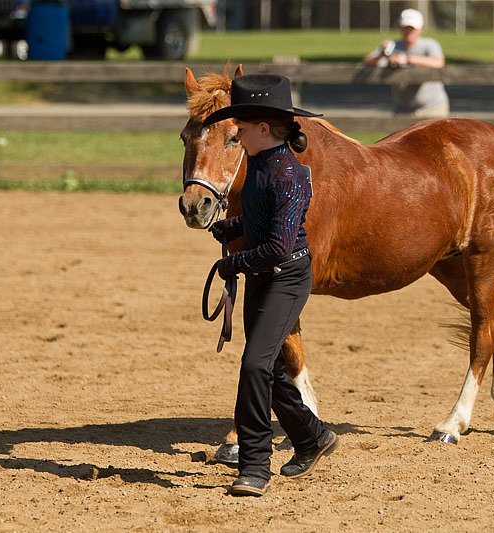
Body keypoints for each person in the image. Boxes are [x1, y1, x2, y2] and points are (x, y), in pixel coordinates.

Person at [201, 74, 339, 497]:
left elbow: (280, 245)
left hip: (286, 277)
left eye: (240, 128)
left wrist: (233, 262)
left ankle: (255, 464)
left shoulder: (290, 175)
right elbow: (263, 221)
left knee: (254, 366)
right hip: (262, 275)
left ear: (264, 129)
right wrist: (232, 227)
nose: (236, 134)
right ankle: (314, 437)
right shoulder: (259, 164)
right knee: (274, 371)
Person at [362, 8, 450, 118]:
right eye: (405, 28)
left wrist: (407, 59)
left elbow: (439, 62)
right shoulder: (392, 46)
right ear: (400, 28)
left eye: (412, 29)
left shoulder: (430, 45)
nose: (408, 32)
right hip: (403, 109)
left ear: (420, 29)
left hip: (432, 108)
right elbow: (367, 61)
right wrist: (382, 53)